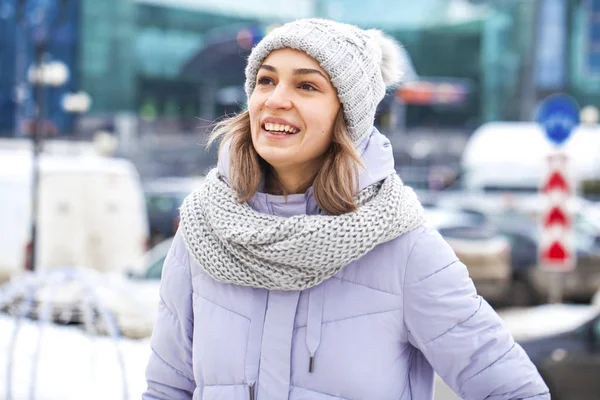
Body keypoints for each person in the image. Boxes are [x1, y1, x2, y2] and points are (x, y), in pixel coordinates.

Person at [143, 18, 550, 400]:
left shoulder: (404, 248)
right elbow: (166, 389)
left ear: (348, 114)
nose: (276, 100)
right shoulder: (202, 232)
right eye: (266, 80)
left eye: (306, 86)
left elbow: (514, 389)